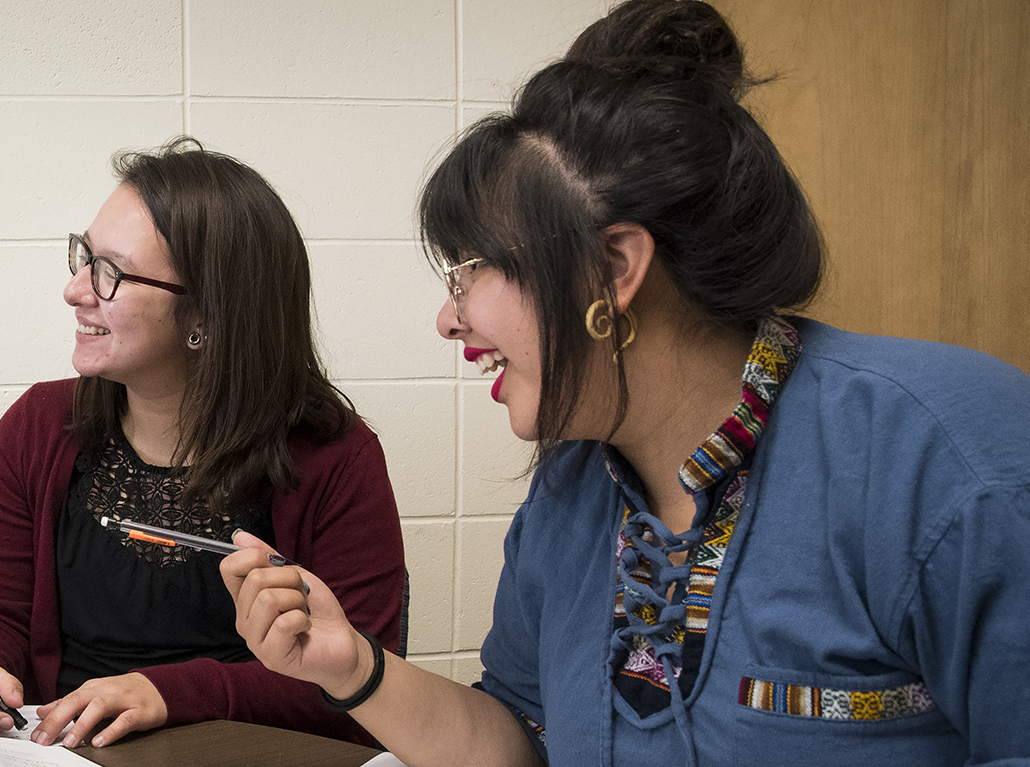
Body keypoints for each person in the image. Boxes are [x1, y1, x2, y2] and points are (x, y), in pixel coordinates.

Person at [222, 1, 1030, 765]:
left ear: (613, 269)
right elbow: (521, 735)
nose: (448, 318)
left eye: (469, 272)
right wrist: (350, 665)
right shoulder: (571, 491)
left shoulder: (946, 454)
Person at [0, 138, 407, 750]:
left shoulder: (338, 458)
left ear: (205, 313)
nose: (75, 291)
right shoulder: (37, 427)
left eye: (110, 273)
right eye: (83, 258)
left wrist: (169, 693)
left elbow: (362, 684)